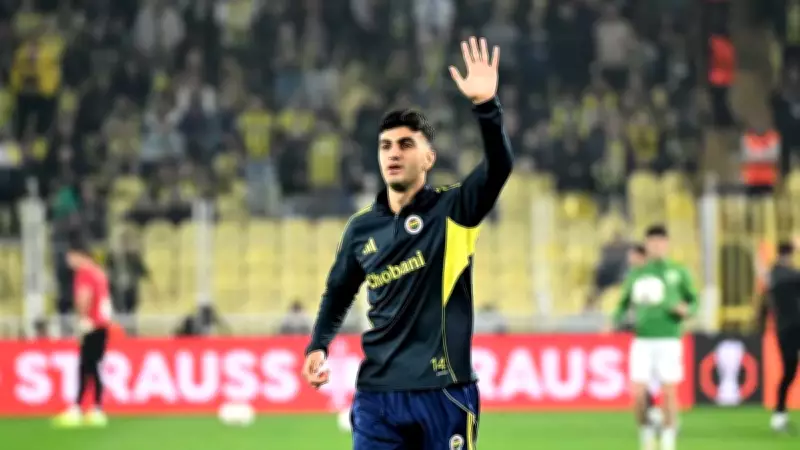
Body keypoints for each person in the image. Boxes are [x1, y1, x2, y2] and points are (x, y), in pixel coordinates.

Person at [301, 36, 513, 450]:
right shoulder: (361, 229)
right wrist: (318, 344)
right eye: (385, 146)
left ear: (428, 158)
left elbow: (499, 166)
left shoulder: (454, 211)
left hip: (444, 391)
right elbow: (339, 291)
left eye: (405, 144)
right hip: (377, 396)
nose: (393, 153)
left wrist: (486, 106)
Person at [612, 225, 698, 450]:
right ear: (647, 245)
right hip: (642, 340)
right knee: (638, 394)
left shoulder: (678, 272)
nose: (657, 246)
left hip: (669, 339)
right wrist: (616, 320)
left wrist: (686, 310)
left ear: (667, 244)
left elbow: (694, 301)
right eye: (653, 242)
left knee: (669, 393)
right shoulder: (637, 274)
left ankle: (668, 441)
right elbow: (622, 305)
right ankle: (647, 436)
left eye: (661, 242)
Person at [53, 236, 112, 428]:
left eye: (71, 256)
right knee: (93, 366)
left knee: (86, 366)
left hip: (91, 325)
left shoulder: (84, 274)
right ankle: (94, 408)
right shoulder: (99, 273)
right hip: (102, 325)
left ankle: (82, 409)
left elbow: (84, 297)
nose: (69, 261)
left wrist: (82, 320)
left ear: (79, 255)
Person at [762, 240, 800, 432]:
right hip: (789, 329)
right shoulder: (783, 275)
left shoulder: (774, 274)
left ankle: (779, 415)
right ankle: (779, 415)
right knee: (789, 371)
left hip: (786, 329)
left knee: (789, 372)